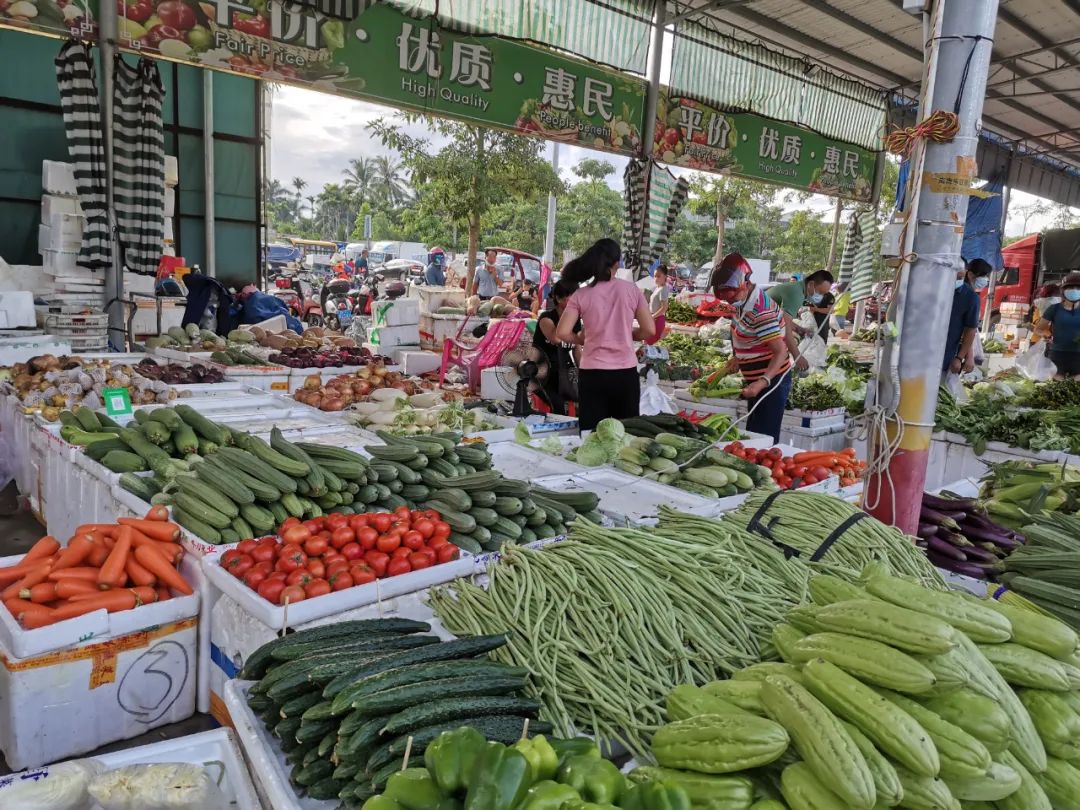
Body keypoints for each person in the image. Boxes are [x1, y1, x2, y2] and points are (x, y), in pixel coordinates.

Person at [556, 240, 655, 432]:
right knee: (625, 436)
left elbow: (561, 332)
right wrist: (630, 334)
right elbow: (649, 330)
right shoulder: (631, 290)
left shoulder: (581, 295)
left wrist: (580, 339)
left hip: (592, 374)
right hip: (625, 374)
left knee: (591, 435)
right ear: (617, 263)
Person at [710, 252, 793, 442]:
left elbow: (780, 351)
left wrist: (762, 381)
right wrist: (737, 358)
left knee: (762, 439)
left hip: (772, 381)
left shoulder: (760, 310)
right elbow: (747, 335)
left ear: (746, 284)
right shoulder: (743, 301)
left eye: (731, 296)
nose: (729, 302)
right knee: (753, 435)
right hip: (756, 379)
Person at [766, 271, 833, 368]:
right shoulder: (797, 294)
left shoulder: (797, 289)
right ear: (810, 284)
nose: (821, 297)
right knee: (781, 364)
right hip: (753, 327)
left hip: (759, 325)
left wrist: (800, 329)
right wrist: (797, 356)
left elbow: (783, 319)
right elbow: (786, 328)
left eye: (824, 294)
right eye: (820, 292)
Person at [533, 279, 581, 414]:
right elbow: (556, 338)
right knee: (558, 406)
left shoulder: (576, 321)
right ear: (559, 299)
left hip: (563, 374)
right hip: (541, 374)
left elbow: (577, 349)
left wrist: (586, 371)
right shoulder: (546, 319)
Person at [942, 258, 992, 378]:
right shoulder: (937, 290)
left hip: (947, 356)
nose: (985, 280)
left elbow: (969, 330)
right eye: (983, 276)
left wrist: (960, 357)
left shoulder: (971, 297)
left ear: (966, 273)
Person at [1035, 272, 1080, 379]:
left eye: (1078, 288)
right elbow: (1038, 329)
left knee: (1075, 391)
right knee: (1056, 390)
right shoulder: (1054, 309)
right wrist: (1045, 334)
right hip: (1057, 354)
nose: (1074, 290)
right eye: (1070, 287)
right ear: (1063, 291)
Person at [804, 270, 836, 343]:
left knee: (821, 342)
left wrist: (816, 309)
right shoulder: (809, 294)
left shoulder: (829, 296)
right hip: (809, 322)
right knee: (808, 342)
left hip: (822, 323)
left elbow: (830, 310)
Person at [647, 265, 670, 346]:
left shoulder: (663, 289)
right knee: (648, 343)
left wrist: (652, 317)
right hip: (653, 319)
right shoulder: (658, 288)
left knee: (650, 344)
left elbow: (664, 308)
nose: (656, 278)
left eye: (658, 276)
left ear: (665, 276)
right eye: (655, 276)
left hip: (657, 320)